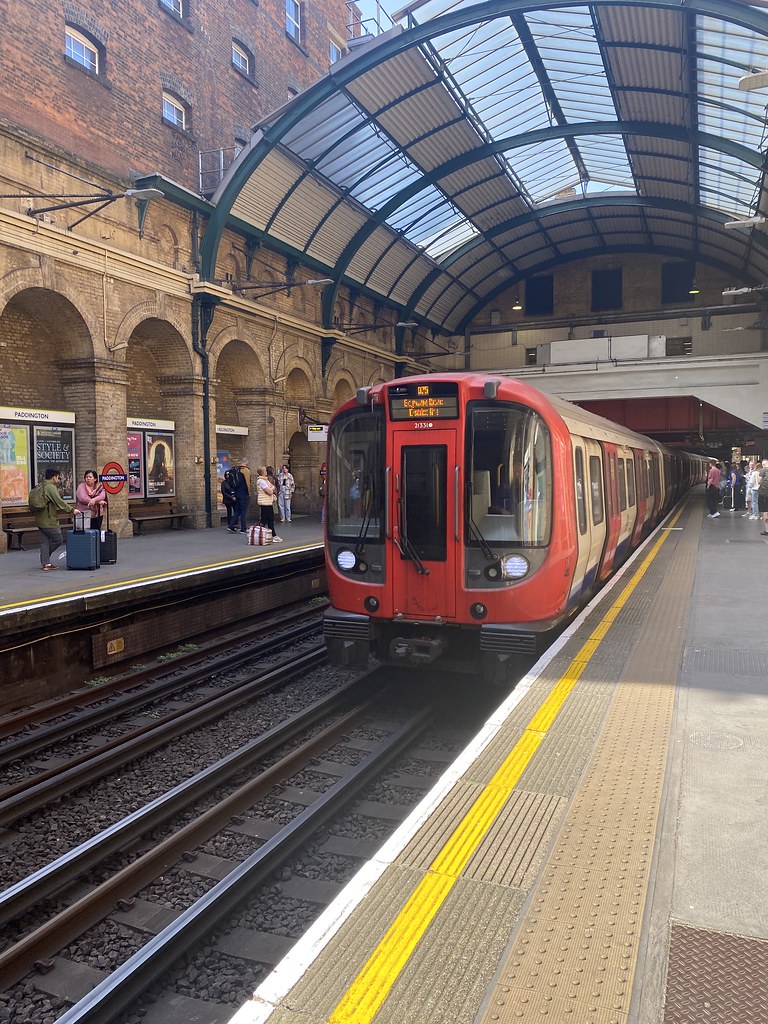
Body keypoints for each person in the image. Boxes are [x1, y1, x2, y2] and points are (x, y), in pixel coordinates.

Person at [32, 467, 75, 571]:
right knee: (58, 539)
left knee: (44, 542)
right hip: (48, 519)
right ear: (54, 477)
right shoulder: (50, 487)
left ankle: (46, 563)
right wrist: (72, 510)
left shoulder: (41, 485)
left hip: (39, 519)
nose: (58, 479)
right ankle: (45, 558)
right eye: (58, 477)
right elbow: (58, 501)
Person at [255, 465, 281, 541]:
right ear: (262, 472)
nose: (266, 472)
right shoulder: (261, 481)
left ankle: (263, 534)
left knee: (266, 519)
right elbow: (270, 491)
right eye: (265, 471)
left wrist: (271, 488)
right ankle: (273, 535)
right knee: (268, 519)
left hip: (267, 502)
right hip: (265, 502)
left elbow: (272, 487)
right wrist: (271, 489)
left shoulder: (265, 480)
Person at [231, 459, 250, 533]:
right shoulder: (246, 471)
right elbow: (247, 483)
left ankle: (231, 525)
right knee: (243, 511)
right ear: (246, 463)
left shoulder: (236, 470)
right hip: (243, 493)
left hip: (237, 493)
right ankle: (243, 528)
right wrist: (248, 493)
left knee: (237, 511)